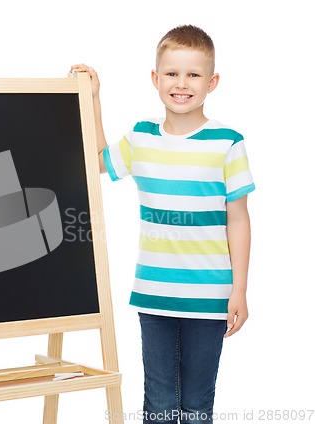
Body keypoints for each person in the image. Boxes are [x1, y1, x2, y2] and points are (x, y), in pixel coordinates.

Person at [71, 24, 254, 424]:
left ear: (212, 82)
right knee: (157, 402)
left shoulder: (227, 142)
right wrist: (94, 97)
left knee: (196, 405)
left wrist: (239, 288)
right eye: (172, 73)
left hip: (209, 298)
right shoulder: (141, 137)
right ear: (156, 79)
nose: (181, 84)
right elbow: (98, 160)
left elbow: (238, 220)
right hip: (153, 295)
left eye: (193, 74)